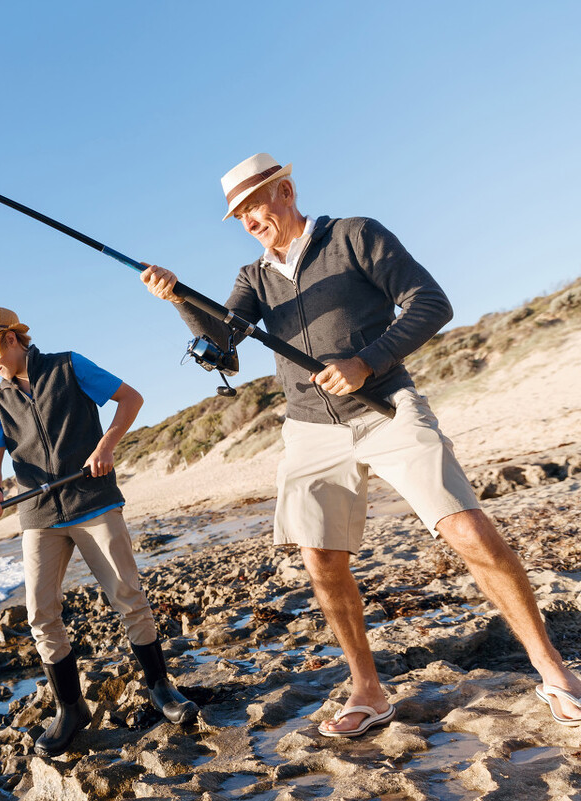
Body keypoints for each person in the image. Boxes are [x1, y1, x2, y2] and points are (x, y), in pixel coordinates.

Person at [140, 153, 581, 737]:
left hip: (388, 407)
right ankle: (368, 690)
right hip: (309, 430)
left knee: (466, 528)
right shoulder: (253, 278)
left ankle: (554, 671)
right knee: (321, 558)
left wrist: (366, 362)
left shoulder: (354, 236)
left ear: (287, 190)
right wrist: (179, 300)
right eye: (239, 213)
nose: (249, 219)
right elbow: (223, 344)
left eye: (255, 204)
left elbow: (431, 302)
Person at [0, 306, 198, 756]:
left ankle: (160, 690)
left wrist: (105, 446)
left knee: (128, 597)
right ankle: (71, 709)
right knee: (40, 615)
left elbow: (130, 398)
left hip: (92, 501)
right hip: (38, 513)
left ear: (11, 339)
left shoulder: (69, 366)